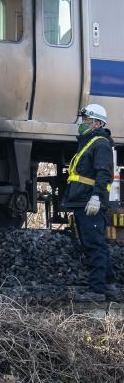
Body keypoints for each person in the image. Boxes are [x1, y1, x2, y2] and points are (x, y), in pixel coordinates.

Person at [62, 103, 117, 303]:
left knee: (94, 245)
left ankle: (97, 291)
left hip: (90, 202)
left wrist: (96, 198)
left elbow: (104, 173)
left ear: (97, 123)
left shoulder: (100, 143)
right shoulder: (89, 142)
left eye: (86, 120)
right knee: (95, 244)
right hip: (82, 201)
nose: (82, 123)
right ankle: (108, 286)